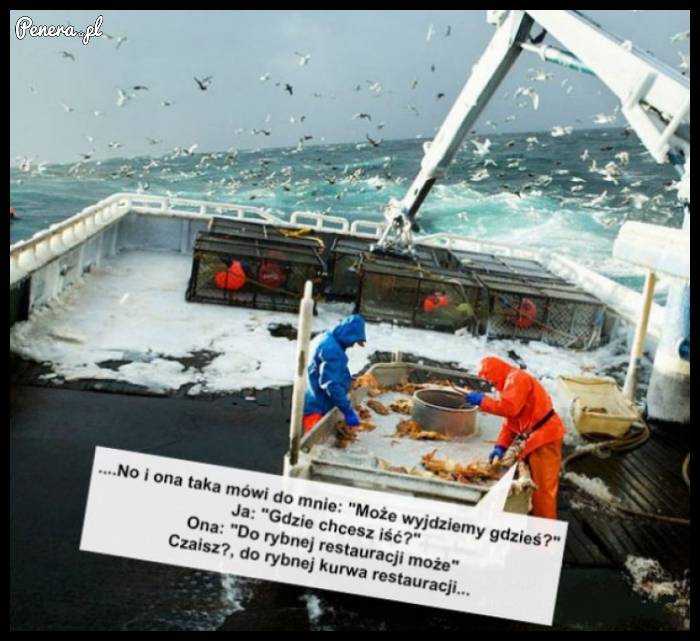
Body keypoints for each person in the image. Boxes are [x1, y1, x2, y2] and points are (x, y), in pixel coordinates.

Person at [465, 356, 566, 519]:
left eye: (490, 379)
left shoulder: (517, 378)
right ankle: (532, 519)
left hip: (545, 437)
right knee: (533, 485)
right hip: (534, 438)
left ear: (496, 372)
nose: (491, 384)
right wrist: (501, 446)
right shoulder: (507, 383)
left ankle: (544, 531)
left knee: (543, 492)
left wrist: (483, 401)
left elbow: (509, 409)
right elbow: (511, 421)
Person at [303, 314, 366, 433]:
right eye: (354, 341)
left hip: (309, 395)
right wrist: (347, 411)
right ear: (349, 335)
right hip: (317, 408)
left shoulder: (326, 337)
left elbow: (330, 371)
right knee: (317, 440)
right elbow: (331, 384)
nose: (352, 345)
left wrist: (348, 380)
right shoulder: (333, 350)